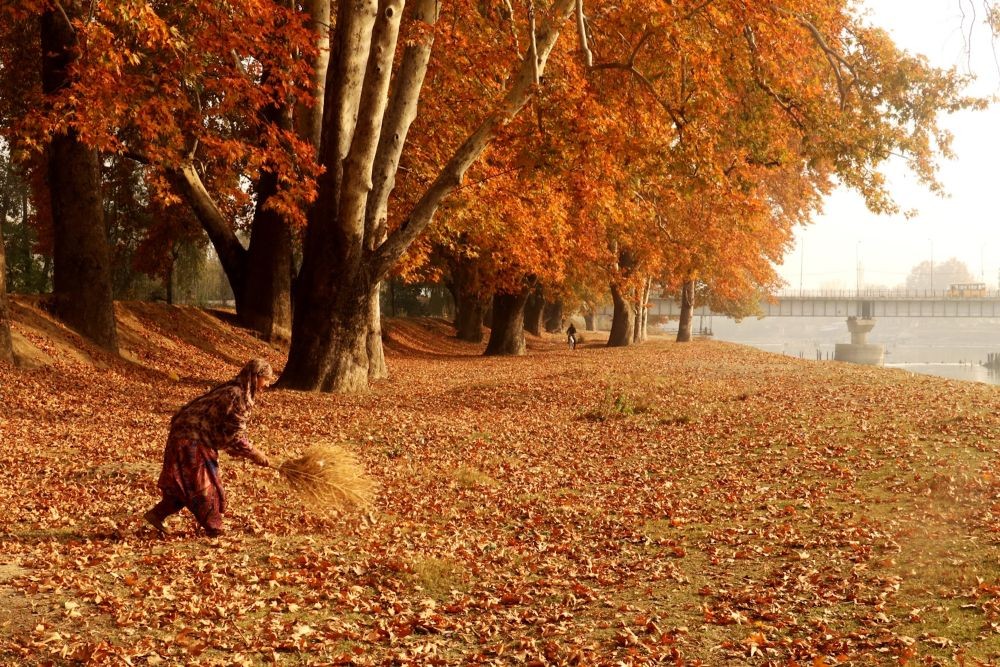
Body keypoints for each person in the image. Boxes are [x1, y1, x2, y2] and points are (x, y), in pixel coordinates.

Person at [144, 358, 274, 537]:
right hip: (190, 439)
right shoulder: (236, 395)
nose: (267, 384)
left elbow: (228, 431)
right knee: (204, 485)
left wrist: (250, 452)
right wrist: (254, 453)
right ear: (255, 376)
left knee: (185, 483)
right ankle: (215, 529)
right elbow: (235, 435)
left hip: (190, 436)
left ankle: (157, 515)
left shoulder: (236, 392)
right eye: (266, 379)